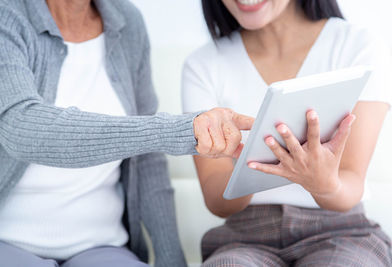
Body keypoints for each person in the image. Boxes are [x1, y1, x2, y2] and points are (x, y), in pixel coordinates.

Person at [0, 0, 254, 267]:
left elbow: (147, 161)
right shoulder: (8, 15)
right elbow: (20, 127)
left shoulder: (127, 21)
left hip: (102, 248)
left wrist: (171, 259)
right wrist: (175, 130)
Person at [182, 0, 392, 266]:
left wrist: (324, 183)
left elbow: (351, 182)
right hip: (245, 237)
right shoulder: (203, 65)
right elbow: (217, 202)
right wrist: (251, 164)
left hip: (341, 233)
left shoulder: (357, 45)